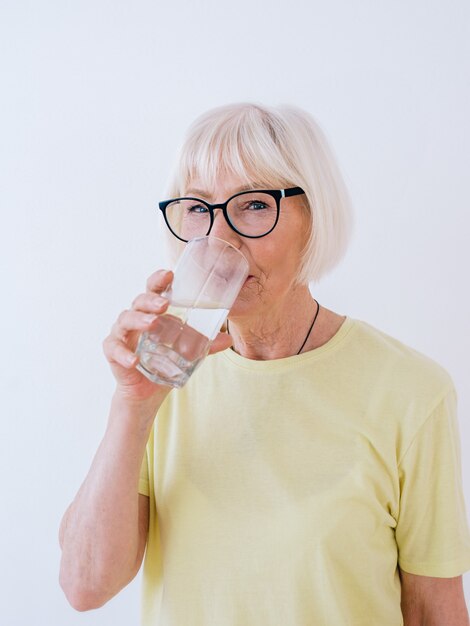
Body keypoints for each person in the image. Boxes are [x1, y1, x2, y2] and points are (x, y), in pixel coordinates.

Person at [59, 103, 470, 625]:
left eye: (254, 205)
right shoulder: (160, 377)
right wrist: (132, 406)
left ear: (314, 218)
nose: (220, 238)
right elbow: (84, 586)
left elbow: (435, 610)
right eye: (198, 208)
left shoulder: (410, 391)